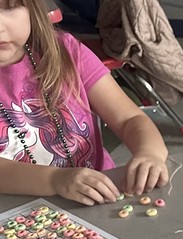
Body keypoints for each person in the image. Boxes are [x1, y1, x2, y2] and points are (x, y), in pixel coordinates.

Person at [0, 0, 168, 204]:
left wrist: (150, 153)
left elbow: (128, 118)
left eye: (9, 7)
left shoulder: (65, 51)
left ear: (32, 8)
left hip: (100, 198)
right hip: (19, 215)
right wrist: (54, 180)